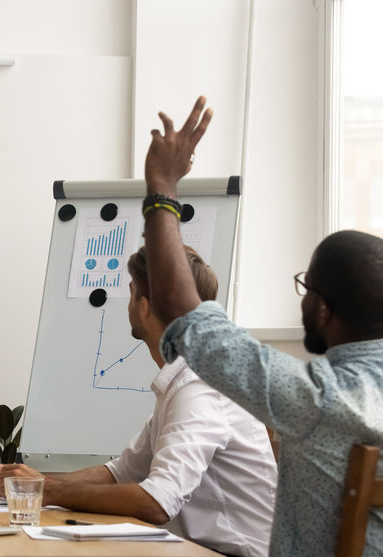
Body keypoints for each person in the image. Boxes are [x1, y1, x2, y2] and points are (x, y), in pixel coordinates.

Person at [140, 96, 383, 555]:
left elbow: (181, 310)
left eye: (305, 289)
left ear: (325, 310)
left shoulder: (318, 399)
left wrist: (162, 187)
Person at [0, 245, 277, 556]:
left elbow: (157, 502)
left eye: (130, 292)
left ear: (145, 306)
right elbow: (122, 471)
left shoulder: (200, 388)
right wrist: (30, 483)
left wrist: (46, 490)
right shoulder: (184, 380)